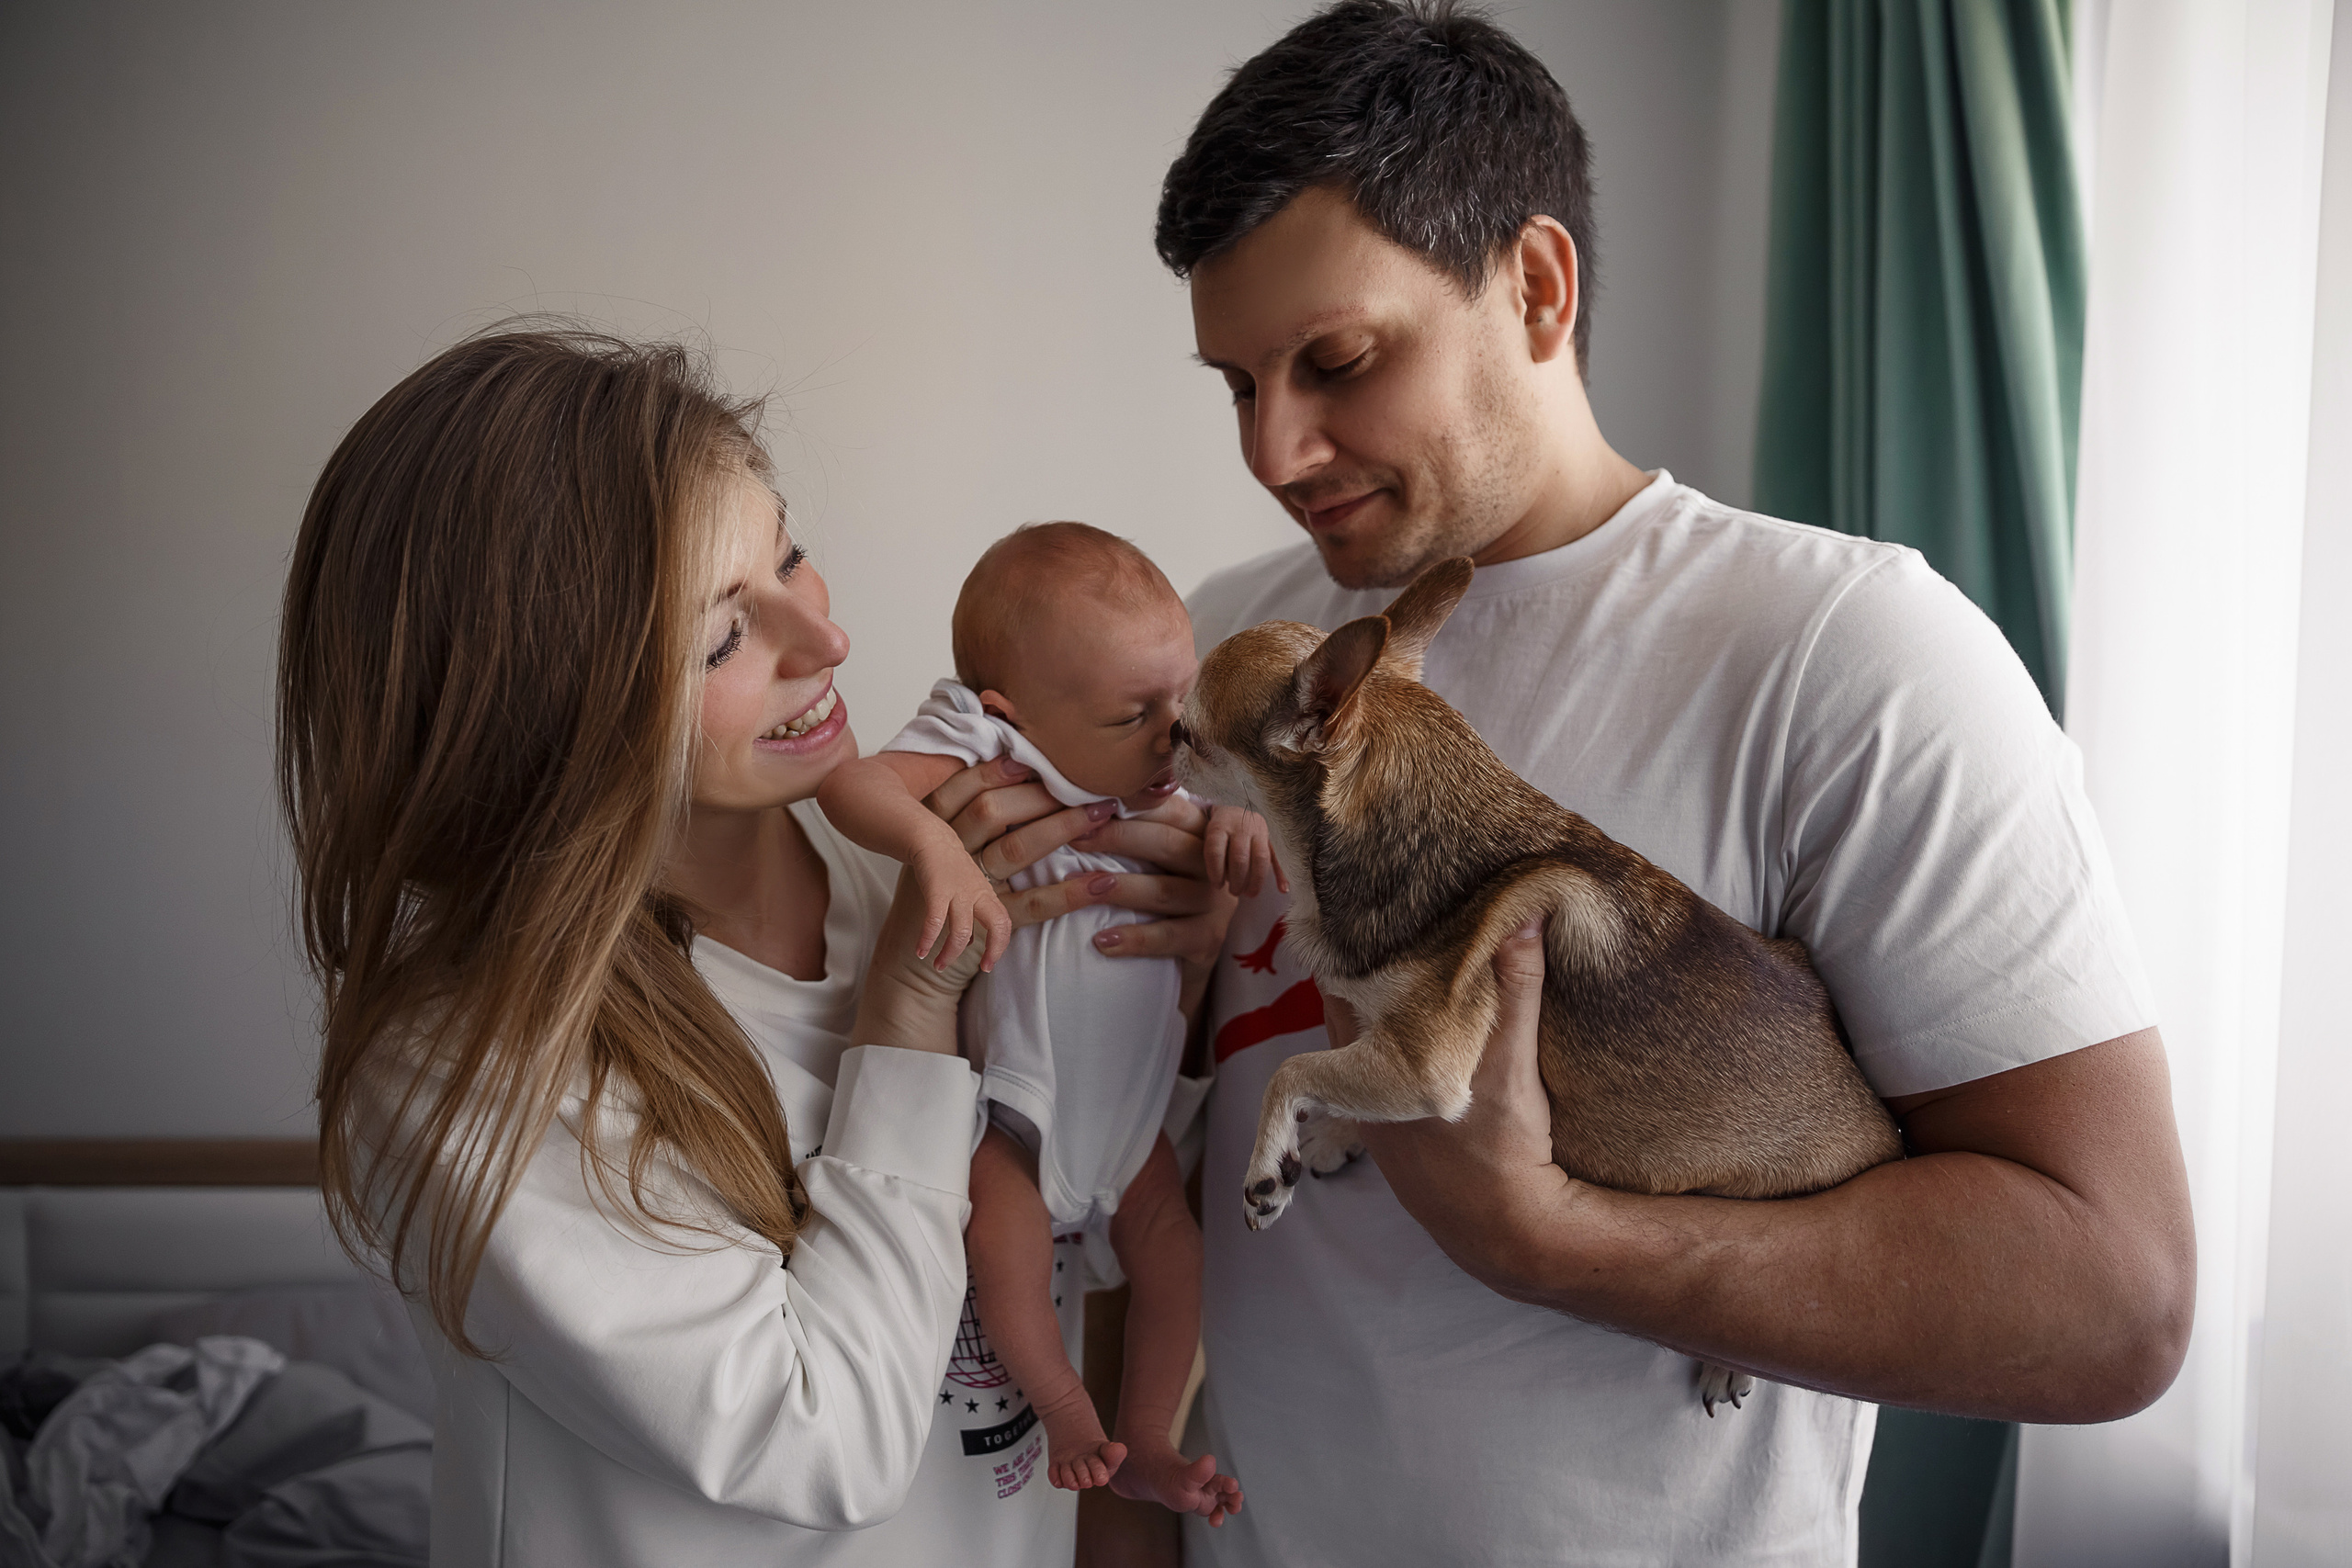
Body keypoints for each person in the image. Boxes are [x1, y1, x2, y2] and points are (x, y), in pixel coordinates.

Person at [1139, 3, 2199, 1562]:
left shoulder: (1853, 658)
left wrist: (1553, 1238)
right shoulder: (1232, 653)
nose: (1276, 451)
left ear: (1539, 286)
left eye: (1337, 361)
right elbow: (1143, 1160)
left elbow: (2114, 1299)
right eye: (1237, 384)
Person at [277, 328, 1236, 1565]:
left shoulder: (924, 868)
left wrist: (1174, 995)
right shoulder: (466, 1067)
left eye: (787, 554)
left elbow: (1094, 1236)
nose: (828, 643)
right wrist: (909, 1011)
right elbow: (828, 1447)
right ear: (547, 719)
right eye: (724, 636)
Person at [820, 523, 1268, 1521]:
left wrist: (1240, 815)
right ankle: (1063, 1408)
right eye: (1133, 714)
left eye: (1184, 699)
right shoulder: (989, 747)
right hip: (1017, 1116)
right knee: (1004, 1245)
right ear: (1009, 713)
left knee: (1176, 1259)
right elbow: (852, 784)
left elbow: (1238, 806)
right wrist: (932, 848)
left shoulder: (1180, 765)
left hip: (1136, 1125)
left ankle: (1146, 1436)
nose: (1177, 735)